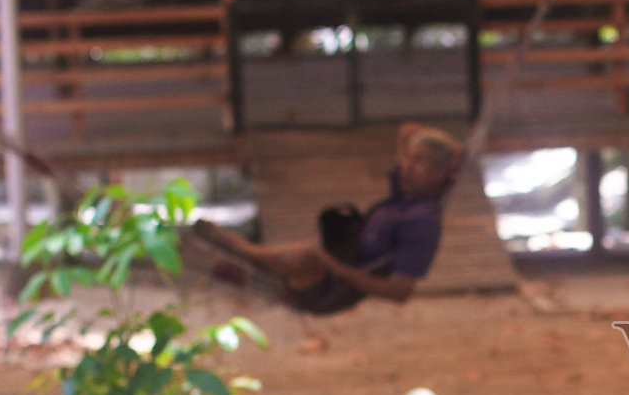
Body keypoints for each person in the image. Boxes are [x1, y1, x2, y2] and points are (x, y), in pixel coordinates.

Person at [190, 123, 464, 314]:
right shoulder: (405, 195)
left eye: (418, 162)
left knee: (304, 257)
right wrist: (454, 153)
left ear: (440, 173)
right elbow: (408, 130)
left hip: (331, 292)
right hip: (336, 263)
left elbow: (400, 293)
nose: (406, 166)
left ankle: (239, 248)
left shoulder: (423, 224)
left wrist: (338, 269)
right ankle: (249, 263)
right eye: (408, 159)